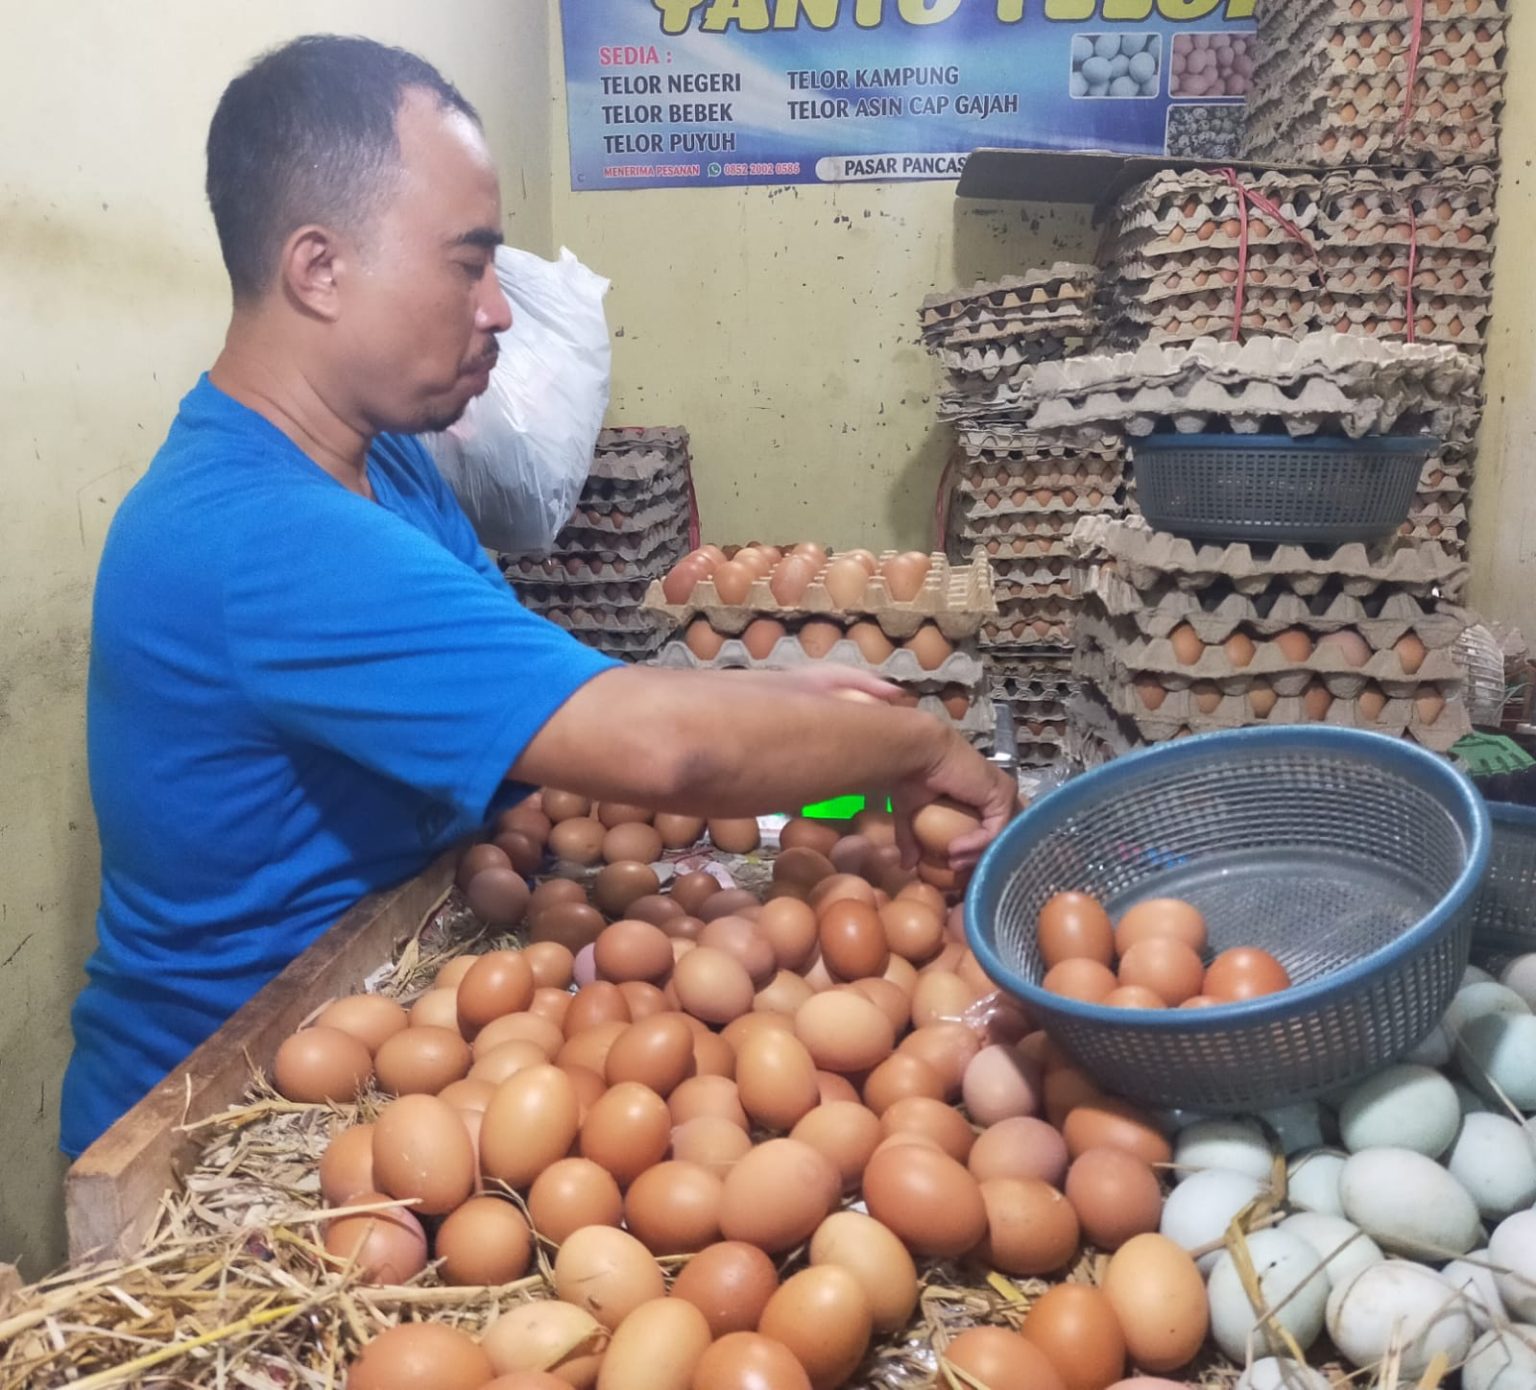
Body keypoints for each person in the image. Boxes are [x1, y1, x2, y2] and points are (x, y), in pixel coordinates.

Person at [61, 35, 1016, 1157]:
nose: (501, 313)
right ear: (318, 269)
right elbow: (668, 754)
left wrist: (805, 715)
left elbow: (544, 695)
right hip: (226, 1106)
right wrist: (909, 746)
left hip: (391, 1005)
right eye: (468, 265)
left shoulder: (386, 462)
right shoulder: (259, 535)